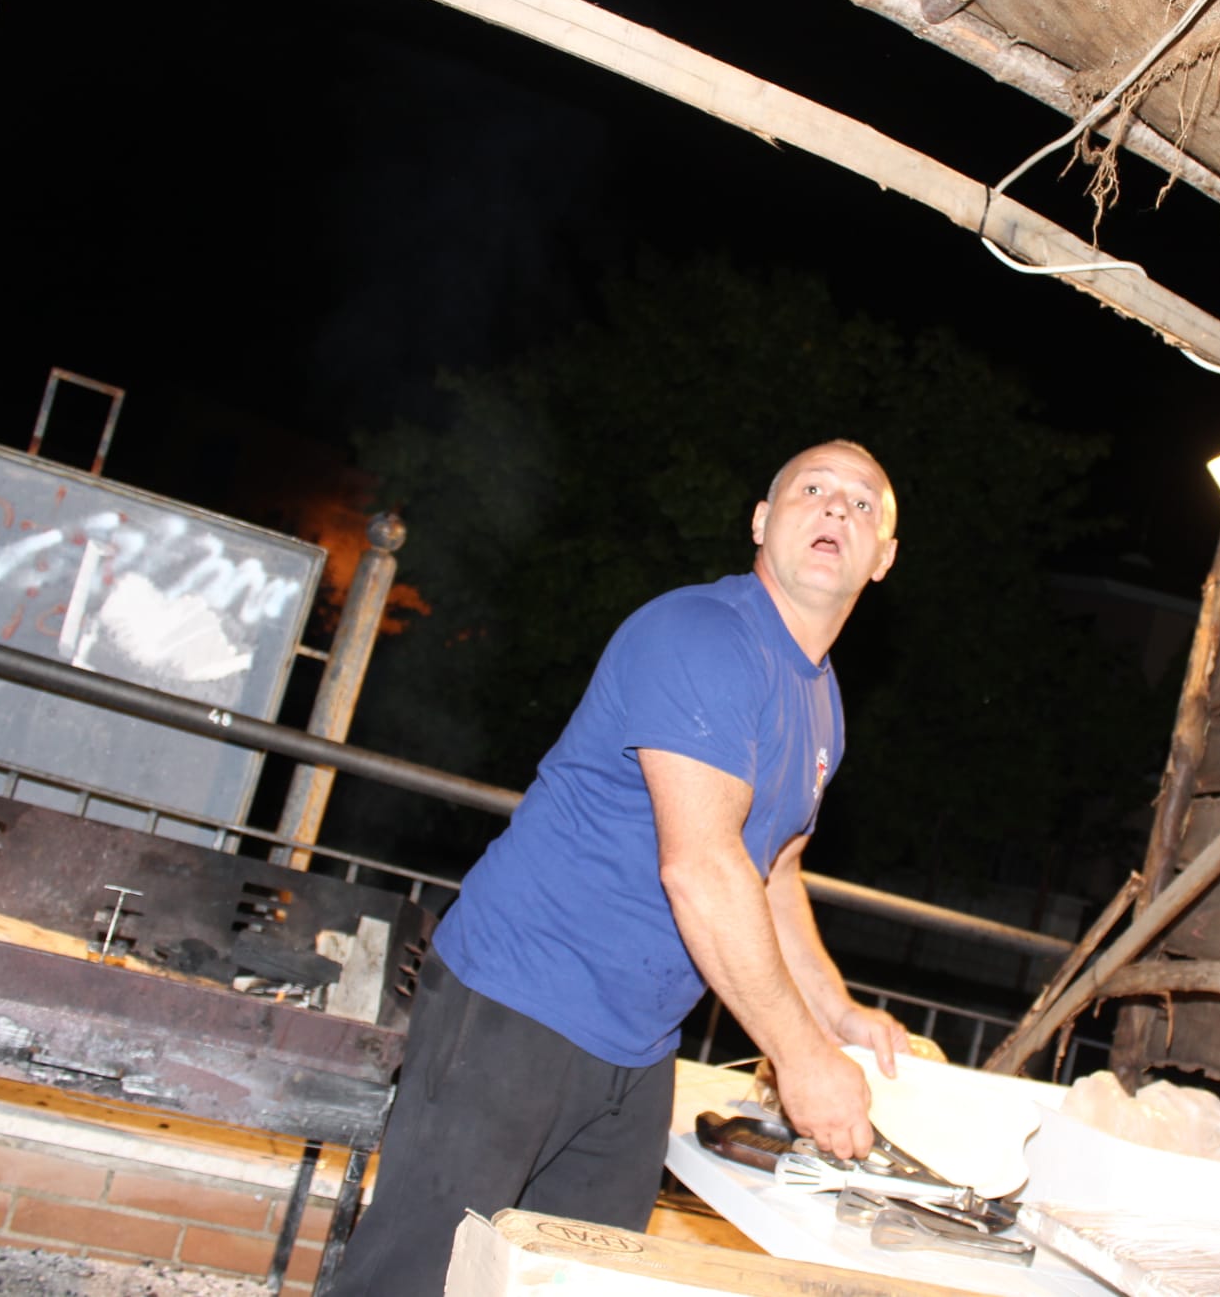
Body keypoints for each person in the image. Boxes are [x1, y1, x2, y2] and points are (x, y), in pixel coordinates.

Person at [331, 441, 910, 1294]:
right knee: (417, 1278)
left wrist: (836, 1013)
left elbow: (775, 869)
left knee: (575, 1282)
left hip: (638, 1043)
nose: (836, 508)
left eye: (862, 503)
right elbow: (703, 867)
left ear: (883, 557)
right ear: (760, 521)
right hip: (516, 1000)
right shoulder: (703, 635)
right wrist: (800, 1057)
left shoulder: (820, 700)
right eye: (813, 489)